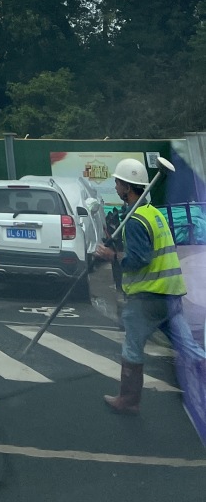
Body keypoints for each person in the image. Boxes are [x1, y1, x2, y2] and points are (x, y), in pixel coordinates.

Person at [94, 158, 206, 414]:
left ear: (127, 187)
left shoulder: (135, 220)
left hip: (147, 298)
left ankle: (128, 400)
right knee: (189, 348)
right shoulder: (153, 213)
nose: (115, 186)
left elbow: (139, 259)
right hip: (171, 295)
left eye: (118, 183)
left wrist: (112, 256)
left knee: (132, 348)